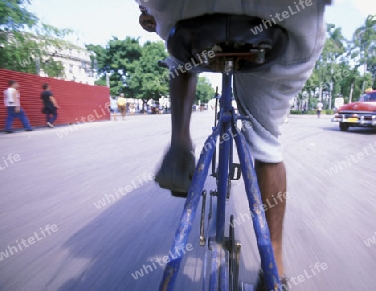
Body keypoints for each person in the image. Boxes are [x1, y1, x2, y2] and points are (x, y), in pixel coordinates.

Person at [136, 1, 331, 289]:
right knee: (267, 141)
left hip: (189, 17)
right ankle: (275, 261)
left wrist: (146, 11)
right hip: (281, 17)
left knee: (180, 55)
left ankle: (179, 141)